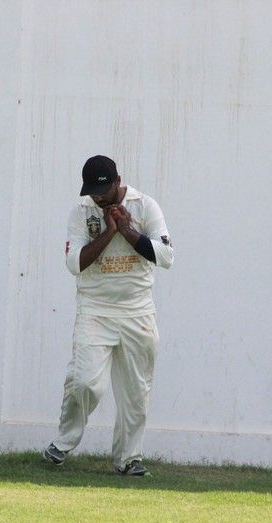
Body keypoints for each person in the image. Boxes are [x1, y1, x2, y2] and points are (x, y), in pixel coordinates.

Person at [43, 155, 174, 476]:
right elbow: (74, 264)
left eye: (103, 191)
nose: (98, 198)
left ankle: (128, 459)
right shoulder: (82, 211)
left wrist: (127, 230)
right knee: (85, 382)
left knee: (136, 391)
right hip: (95, 309)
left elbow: (166, 256)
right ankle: (62, 443)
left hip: (138, 310)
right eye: (92, 192)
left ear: (118, 181)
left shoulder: (145, 206)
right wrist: (109, 232)